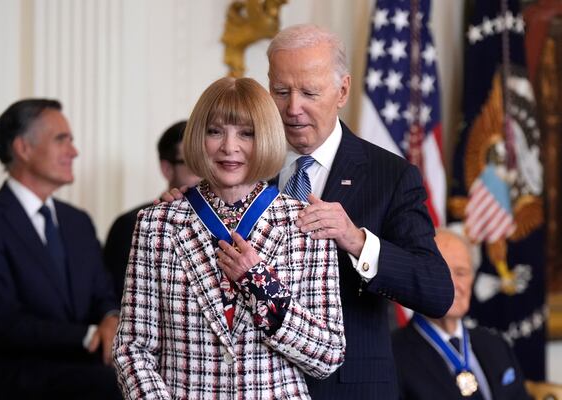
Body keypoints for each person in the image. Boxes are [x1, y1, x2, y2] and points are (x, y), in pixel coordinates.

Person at [162, 24, 454, 399]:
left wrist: (356, 240)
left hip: (348, 389)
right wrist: (188, 211)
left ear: (343, 90)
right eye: (281, 92)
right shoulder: (242, 166)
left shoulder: (390, 176)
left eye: (309, 92)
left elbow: (436, 290)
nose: (293, 108)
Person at [113, 76, 345, 399]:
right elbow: (132, 348)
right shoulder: (157, 224)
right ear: (198, 137)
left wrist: (260, 284)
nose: (229, 147)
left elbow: (328, 355)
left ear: (265, 137)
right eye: (215, 131)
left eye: (246, 133)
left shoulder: (306, 224)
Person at [0, 99, 121, 400]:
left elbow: (105, 295)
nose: (74, 152)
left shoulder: (78, 222)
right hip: (17, 377)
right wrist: (89, 334)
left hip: (86, 369)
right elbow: (3, 323)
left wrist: (111, 318)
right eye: (62, 140)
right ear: (23, 148)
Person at [392, 229, 530, 400]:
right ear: (417, 278)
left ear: (472, 278)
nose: (453, 285)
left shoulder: (495, 344)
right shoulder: (392, 355)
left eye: (461, 273)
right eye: (441, 272)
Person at [103, 120, 200, 299]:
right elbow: (117, 301)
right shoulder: (132, 224)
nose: (205, 174)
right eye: (195, 165)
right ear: (167, 169)